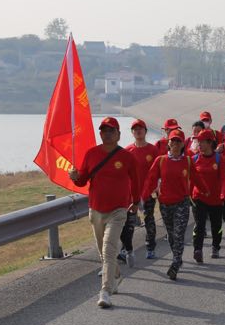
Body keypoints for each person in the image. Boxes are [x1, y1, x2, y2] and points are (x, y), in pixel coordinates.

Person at [69, 117, 138, 309]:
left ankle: (105, 291)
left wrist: (136, 202)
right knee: (103, 251)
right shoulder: (91, 154)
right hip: (96, 209)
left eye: (111, 131)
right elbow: (82, 181)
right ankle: (116, 275)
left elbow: (136, 180)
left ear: (118, 134)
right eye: (103, 131)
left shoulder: (126, 156)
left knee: (109, 248)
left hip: (118, 210)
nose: (107, 134)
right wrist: (74, 177)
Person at [142, 129, 208, 280]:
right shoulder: (160, 160)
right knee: (171, 235)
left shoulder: (188, 161)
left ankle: (176, 263)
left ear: (183, 144)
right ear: (169, 143)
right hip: (165, 204)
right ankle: (177, 257)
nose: (176, 144)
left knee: (178, 234)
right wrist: (144, 197)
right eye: (173, 141)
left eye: (179, 141)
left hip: (182, 203)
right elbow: (151, 179)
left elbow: (196, 177)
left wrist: (205, 191)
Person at [124, 119, 161, 260]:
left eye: (140, 129)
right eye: (135, 129)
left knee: (149, 220)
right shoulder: (127, 150)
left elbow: (159, 171)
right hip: (132, 194)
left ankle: (150, 247)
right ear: (132, 132)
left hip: (148, 193)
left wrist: (156, 186)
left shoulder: (153, 150)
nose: (138, 131)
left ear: (145, 131)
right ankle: (126, 249)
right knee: (129, 223)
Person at [191, 129, 225, 261]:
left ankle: (215, 247)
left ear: (210, 143)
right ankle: (197, 249)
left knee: (216, 226)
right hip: (199, 198)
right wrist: (188, 195)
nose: (199, 144)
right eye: (198, 141)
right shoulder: (194, 159)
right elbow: (189, 179)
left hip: (216, 199)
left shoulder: (219, 159)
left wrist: (223, 194)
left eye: (202, 141)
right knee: (199, 224)